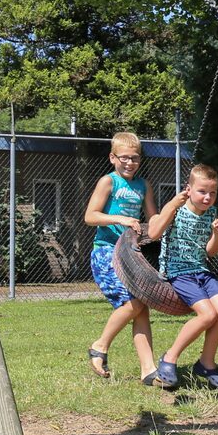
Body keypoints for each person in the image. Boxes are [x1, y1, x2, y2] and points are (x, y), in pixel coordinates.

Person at [82, 131, 161, 385]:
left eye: (135, 158)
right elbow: (90, 216)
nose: (130, 163)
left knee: (141, 307)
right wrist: (121, 218)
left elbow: (153, 220)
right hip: (105, 251)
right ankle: (100, 346)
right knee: (135, 304)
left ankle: (149, 371)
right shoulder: (109, 182)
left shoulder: (143, 185)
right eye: (124, 158)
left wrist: (174, 213)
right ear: (112, 158)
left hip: (130, 254)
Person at [148, 164, 218, 391]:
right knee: (207, 315)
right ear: (188, 189)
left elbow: (211, 252)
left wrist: (217, 235)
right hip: (178, 272)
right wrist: (172, 205)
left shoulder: (211, 215)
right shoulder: (176, 208)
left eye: (212, 193)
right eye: (202, 191)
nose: (208, 197)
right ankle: (169, 358)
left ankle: (206, 363)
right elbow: (153, 234)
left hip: (201, 271)